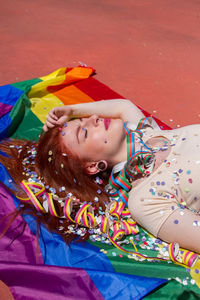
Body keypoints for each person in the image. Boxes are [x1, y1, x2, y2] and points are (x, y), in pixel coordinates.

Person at [0, 99, 200, 254]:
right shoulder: (145, 201)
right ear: (93, 166)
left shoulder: (147, 132)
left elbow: (123, 106)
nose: (93, 118)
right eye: (84, 132)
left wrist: (71, 110)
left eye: (83, 120)